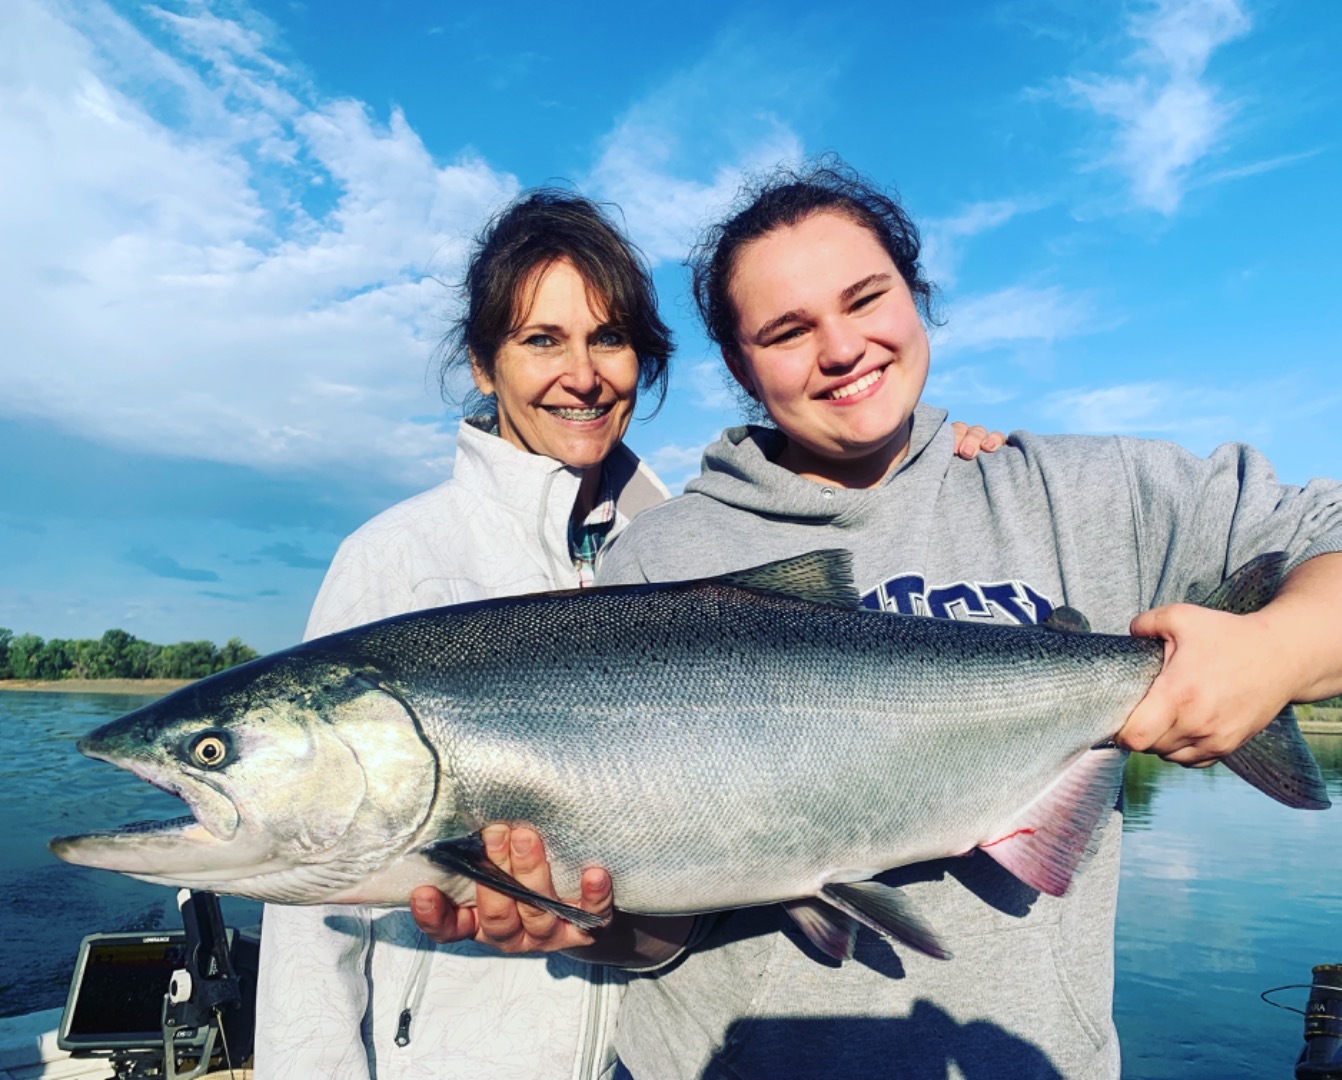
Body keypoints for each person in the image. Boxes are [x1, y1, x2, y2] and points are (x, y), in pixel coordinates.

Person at [423, 160, 1342, 1080]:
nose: (841, 347)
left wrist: (1274, 648)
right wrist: (577, 921)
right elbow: (660, 935)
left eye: (866, 298)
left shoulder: (1089, 494)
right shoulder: (659, 561)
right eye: (787, 330)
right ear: (740, 364)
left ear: (918, 296)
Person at [253, 179, 1009, 1078]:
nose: (583, 374)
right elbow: (306, 900)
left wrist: (942, 466)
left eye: (608, 339)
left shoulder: (689, 543)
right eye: (542, 341)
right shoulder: (394, 562)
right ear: (484, 361)